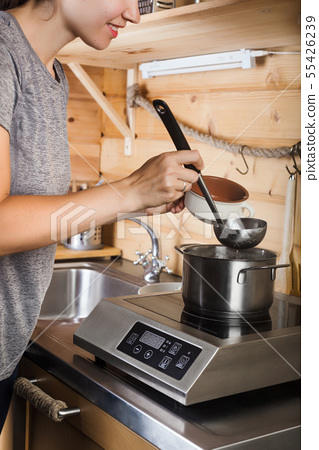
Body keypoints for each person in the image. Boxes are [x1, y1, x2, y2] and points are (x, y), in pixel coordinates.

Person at [0, 0, 203, 433]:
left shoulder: (54, 76)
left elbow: (34, 213)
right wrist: (127, 189)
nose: (134, 14)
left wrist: (133, 200)